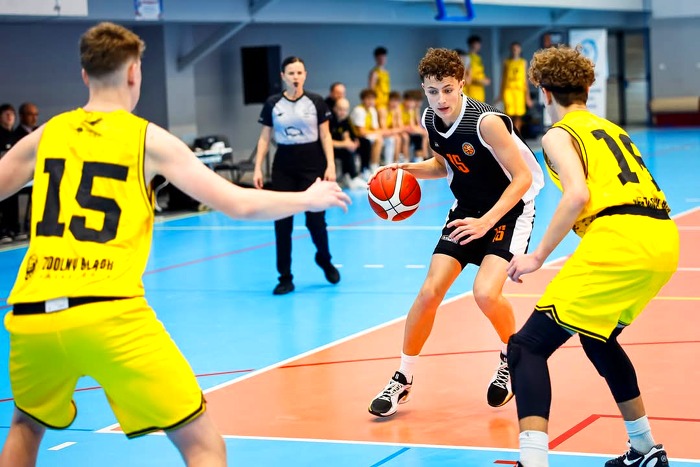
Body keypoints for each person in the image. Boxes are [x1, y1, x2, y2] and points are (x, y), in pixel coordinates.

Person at [0, 22, 350, 467]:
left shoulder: (48, 133)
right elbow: (238, 203)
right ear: (134, 73)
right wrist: (307, 198)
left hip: (31, 313)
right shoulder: (147, 138)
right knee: (202, 444)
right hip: (108, 309)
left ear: (85, 75)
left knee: (25, 426)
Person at [506, 45, 678, 467]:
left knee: (526, 347)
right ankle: (645, 449)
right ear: (586, 89)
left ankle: (532, 461)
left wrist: (538, 255)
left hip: (621, 238)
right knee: (598, 337)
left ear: (545, 93)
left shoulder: (558, 133)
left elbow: (577, 194)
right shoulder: (611, 128)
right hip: (662, 237)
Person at [368, 48, 543, 417]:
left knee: (485, 293)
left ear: (461, 84)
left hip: (510, 212)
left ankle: (511, 357)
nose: (441, 99)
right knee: (429, 292)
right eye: (433, 91)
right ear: (424, 90)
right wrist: (404, 169)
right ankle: (403, 377)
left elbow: (523, 178)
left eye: (448, 89)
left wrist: (486, 222)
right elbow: (443, 164)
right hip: (466, 210)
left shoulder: (486, 123)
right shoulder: (430, 118)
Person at [253, 56, 342, 296]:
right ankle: (285, 277)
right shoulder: (273, 103)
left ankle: (324, 259)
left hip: (312, 164)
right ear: (283, 76)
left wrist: (330, 165)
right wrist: (257, 167)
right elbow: (264, 138)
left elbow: (325, 136)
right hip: (284, 165)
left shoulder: (316, 102)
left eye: (299, 73)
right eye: (291, 73)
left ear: (305, 75)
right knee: (282, 223)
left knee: (316, 222)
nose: (296, 77)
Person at [495, 42, 532, 134]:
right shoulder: (506, 62)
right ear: (510, 50)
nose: (515, 50)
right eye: (513, 48)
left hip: (519, 91)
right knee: (509, 114)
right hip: (508, 90)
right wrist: (500, 94)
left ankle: (518, 134)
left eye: (517, 48)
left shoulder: (523, 62)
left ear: (520, 49)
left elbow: (525, 79)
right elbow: (503, 78)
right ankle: (509, 133)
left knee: (519, 115)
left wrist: (528, 97)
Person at [330, 97, 365, 190]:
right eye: (340, 109)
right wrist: (345, 144)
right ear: (335, 109)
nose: (343, 112)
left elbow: (346, 135)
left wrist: (351, 144)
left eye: (345, 110)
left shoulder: (345, 120)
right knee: (346, 150)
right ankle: (351, 177)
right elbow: (327, 141)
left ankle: (357, 174)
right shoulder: (329, 120)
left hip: (339, 147)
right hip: (327, 149)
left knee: (363, 144)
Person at [350, 89, 385, 178]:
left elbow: (375, 128)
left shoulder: (372, 110)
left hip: (367, 135)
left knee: (380, 138)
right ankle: (369, 168)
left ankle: (374, 165)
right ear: (363, 99)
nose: (371, 101)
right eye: (368, 99)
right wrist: (376, 132)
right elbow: (361, 132)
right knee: (376, 140)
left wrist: (377, 132)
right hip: (355, 136)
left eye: (373, 99)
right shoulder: (359, 110)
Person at [463, 35, 491, 102]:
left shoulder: (479, 58)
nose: (479, 46)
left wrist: (485, 79)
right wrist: (478, 80)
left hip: (480, 90)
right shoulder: (466, 58)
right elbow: (464, 75)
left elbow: (480, 73)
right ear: (472, 44)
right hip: (470, 90)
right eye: (477, 43)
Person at [368, 46, 391, 115]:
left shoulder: (386, 73)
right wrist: (372, 102)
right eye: (380, 58)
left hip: (387, 101)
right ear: (376, 58)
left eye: (384, 57)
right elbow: (371, 89)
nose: (382, 59)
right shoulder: (374, 72)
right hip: (378, 103)